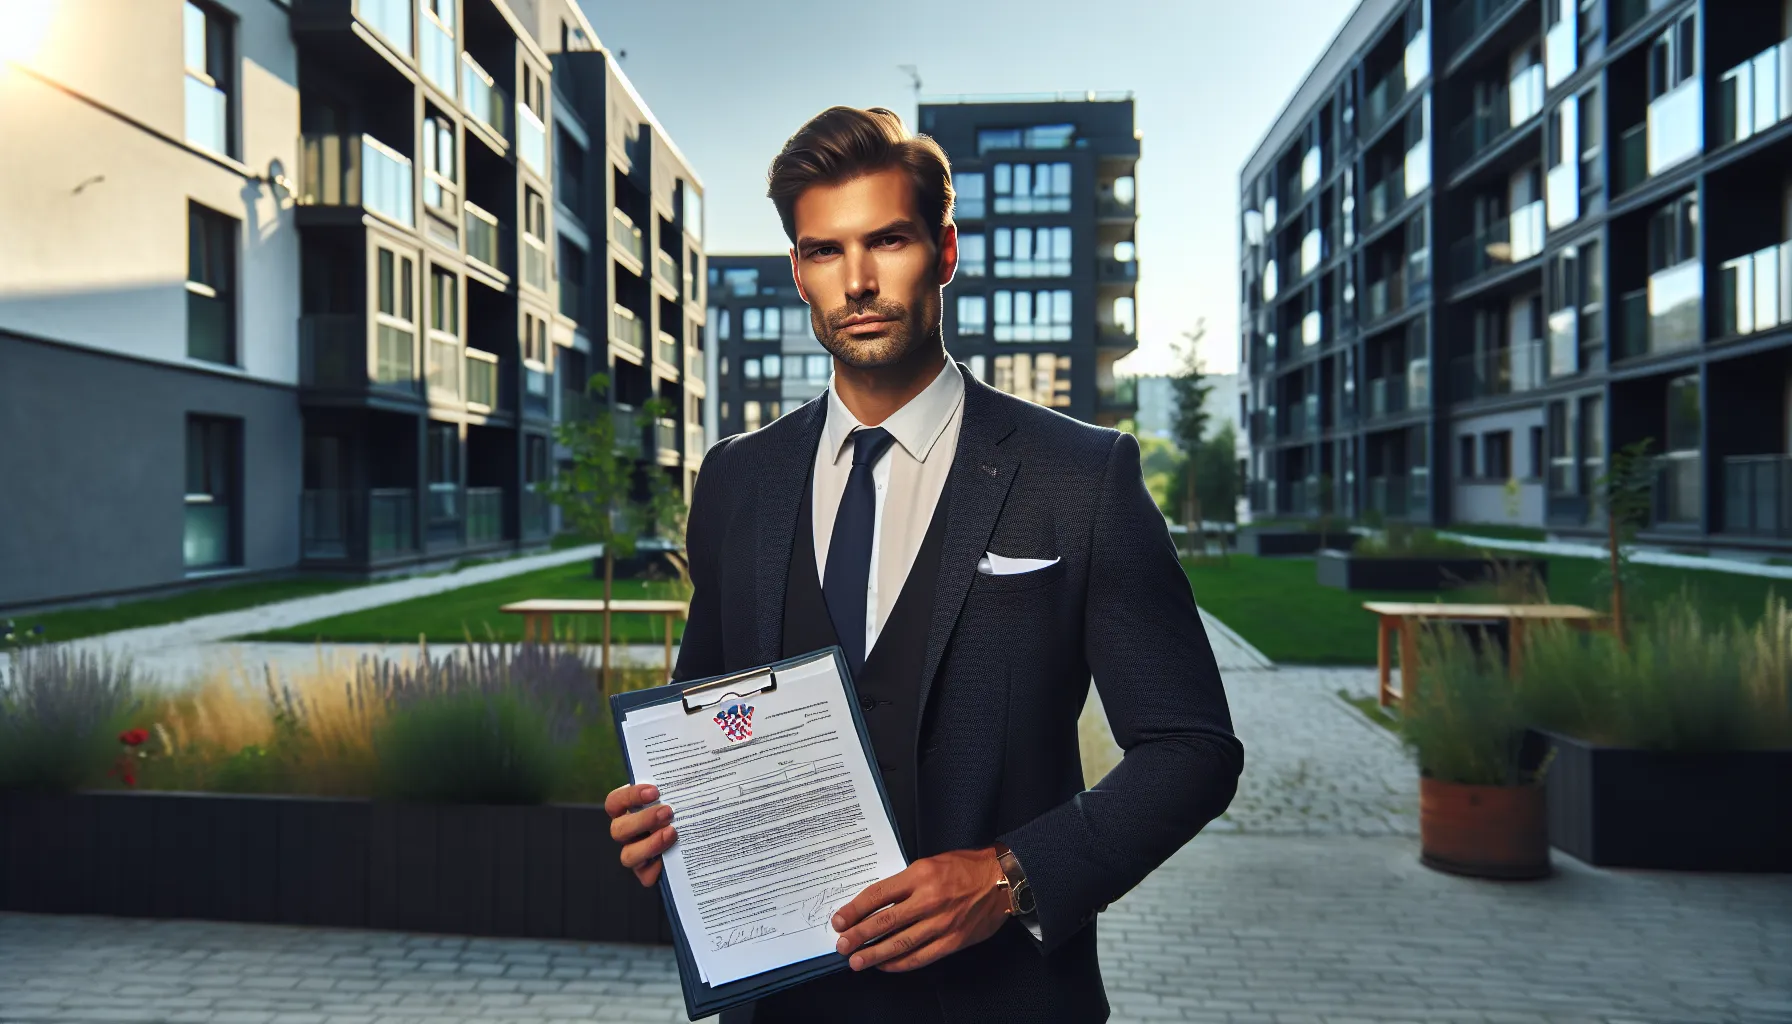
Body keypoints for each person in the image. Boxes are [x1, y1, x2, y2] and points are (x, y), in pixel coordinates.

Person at [603, 105, 1243, 1023]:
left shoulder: (1079, 476)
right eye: (826, 251)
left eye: (888, 241)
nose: (857, 281)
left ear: (943, 252)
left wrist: (1011, 876)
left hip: (1004, 1003)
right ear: (797, 273)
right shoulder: (738, 480)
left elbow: (1193, 751)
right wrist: (660, 816)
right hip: (782, 1003)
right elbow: (707, 709)